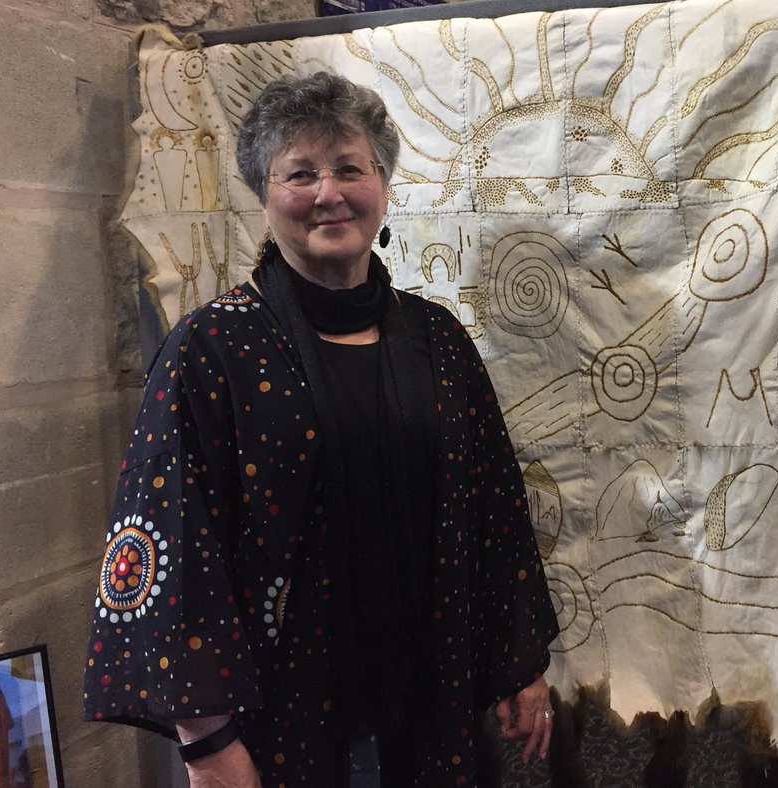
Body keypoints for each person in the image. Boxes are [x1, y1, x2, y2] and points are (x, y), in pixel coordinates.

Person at [83, 72, 560, 787]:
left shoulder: (438, 341)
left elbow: (492, 510)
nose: (328, 193)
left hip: (430, 710)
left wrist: (520, 665)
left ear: (383, 184)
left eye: (349, 168)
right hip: (280, 723)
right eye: (300, 173)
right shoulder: (212, 348)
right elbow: (169, 543)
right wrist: (207, 745)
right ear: (266, 193)